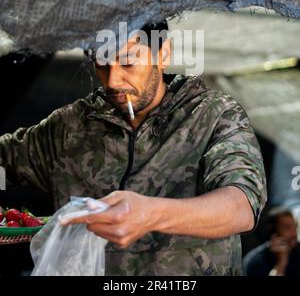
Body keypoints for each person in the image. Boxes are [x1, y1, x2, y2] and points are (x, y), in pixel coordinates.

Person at [0, 19, 267, 276]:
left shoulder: (212, 114)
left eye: (128, 61)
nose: (113, 81)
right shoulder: (70, 127)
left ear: (163, 54)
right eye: (102, 63)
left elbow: (241, 206)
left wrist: (152, 214)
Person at [243, 206, 300, 276]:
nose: (294, 233)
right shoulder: (255, 262)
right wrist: (281, 264)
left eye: (295, 227)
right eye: (287, 228)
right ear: (273, 232)